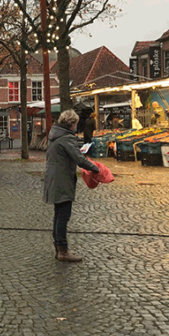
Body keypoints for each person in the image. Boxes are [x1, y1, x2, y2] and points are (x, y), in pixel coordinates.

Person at [43, 109, 100, 262]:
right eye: (75, 123)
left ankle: (58, 247)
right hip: (62, 180)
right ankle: (63, 250)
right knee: (63, 216)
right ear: (72, 124)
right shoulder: (66, 138)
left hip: (54, 178)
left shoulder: (55, 136)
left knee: (58, 214)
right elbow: (79, 159)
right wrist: (96, 169)